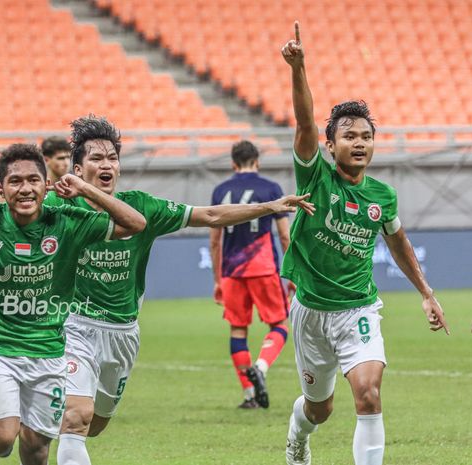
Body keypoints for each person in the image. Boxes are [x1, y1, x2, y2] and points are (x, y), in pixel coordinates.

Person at [41, 115, 314, 465]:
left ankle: (46, 419)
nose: (106, 164)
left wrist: (269, 207)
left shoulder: (142, 207)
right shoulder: (58, 207)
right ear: (77, 169)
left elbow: (212, 216)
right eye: (96, 159)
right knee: (76, 418)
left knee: (94, 424)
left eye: (112, 158)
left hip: (123, 334)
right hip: (74, 326)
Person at [0, 143, 146, 465]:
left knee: (35, 450)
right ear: (1, 189)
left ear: (47, 186)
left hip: (48, 352)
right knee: (1, 440)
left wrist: (86, 189)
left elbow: (136, 224)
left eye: (33, 180)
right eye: (15, 181)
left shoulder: (67, 221)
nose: (25, 189)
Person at [280, 22, 449, 465]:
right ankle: (299, 434)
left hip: (358, 308)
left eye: (366, 136)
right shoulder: (314, 177)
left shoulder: (381, 195)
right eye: (349, 136)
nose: (359, 143)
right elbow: (302, 121)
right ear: (330, 144)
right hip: (311, 311)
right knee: (320, 409)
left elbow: (397, 242)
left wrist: (426, 293)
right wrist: (299, 69)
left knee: (369, 395)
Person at [210, 139, 294, 409]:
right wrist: (294, 272)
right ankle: (261, 366)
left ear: (234, 164)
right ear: (257, 162)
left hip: (232, 273)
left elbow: (214, 241)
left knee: (237, 330)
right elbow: (284, 235)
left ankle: (249, 395)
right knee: (279, 325)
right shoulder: (271, 189)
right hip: (263, 268)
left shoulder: (220, 191)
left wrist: (217, 279)